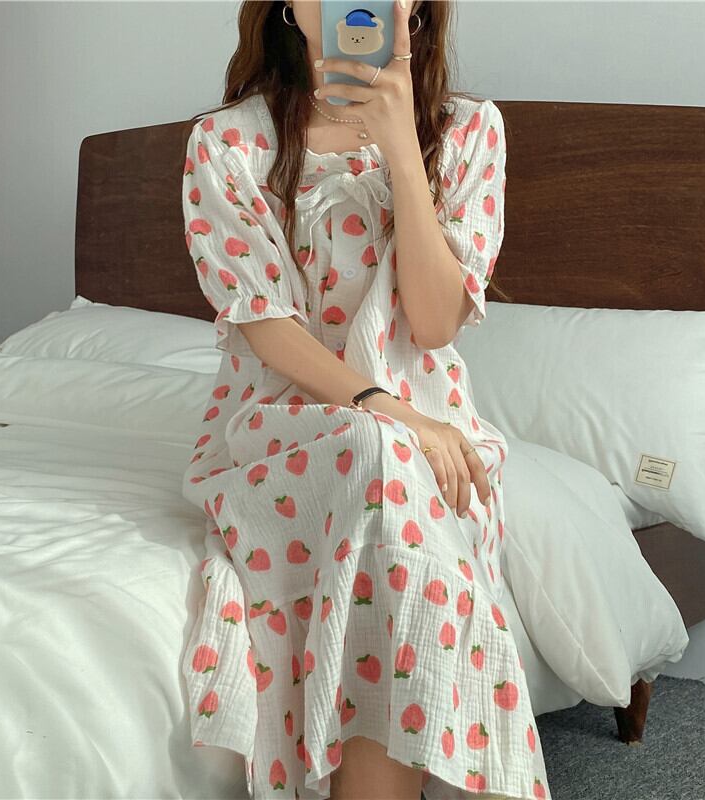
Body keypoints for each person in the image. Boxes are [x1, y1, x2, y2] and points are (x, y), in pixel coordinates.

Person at [179, 1, 552, 798]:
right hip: (285, 428)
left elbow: (435, 320)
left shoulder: (470, 132)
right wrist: (392, 411)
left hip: (426, 436)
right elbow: (266, 328)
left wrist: (401, 146)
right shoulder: (226, 143)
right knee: (377, 448)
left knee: (388, 464)